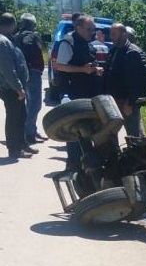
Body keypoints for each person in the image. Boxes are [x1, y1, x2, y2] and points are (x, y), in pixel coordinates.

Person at [53, 14, 101, 171]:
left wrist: (95, 70)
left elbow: (87, 64)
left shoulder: (87, 43)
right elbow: (59, 66)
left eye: (93, 29)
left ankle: (85, 166)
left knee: (87, 130)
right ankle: (73, 166)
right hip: (73, 93)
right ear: (78, 28)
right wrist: (83, 70)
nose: (92, 32)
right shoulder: (68, 43)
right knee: (74, 130)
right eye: (89, 29)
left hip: (87, 92)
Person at [103, 23, 146, 137]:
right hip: (113, 100)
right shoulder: (115, 51)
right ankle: (116, 155)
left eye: (114, 34)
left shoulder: (132, 52)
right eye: (111, 34)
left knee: (134, 134)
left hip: (126, 101)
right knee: (110, 133)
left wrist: (131, 103)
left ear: (124, 35)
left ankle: (139, 154)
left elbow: (136, 81)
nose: (111, 37)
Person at [0, 13, 37, 159]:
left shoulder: (9, 39)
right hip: (10, 87)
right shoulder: (2, 42)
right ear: (12, 24)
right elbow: (7, 69)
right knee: (14, 118)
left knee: (22, 115)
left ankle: (22, 144)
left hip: (15, 86)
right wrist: (17, 87)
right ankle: (14, 149)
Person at [13, 13, 47, 144]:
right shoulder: (30, 36)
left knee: (29, 104)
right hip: (32, 72)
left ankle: (31, 129)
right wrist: (30, 63)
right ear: (32, 24)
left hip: (23, 72)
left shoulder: (16, 36)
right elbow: (27, 47)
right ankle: (29, 133)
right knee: (35, 104)